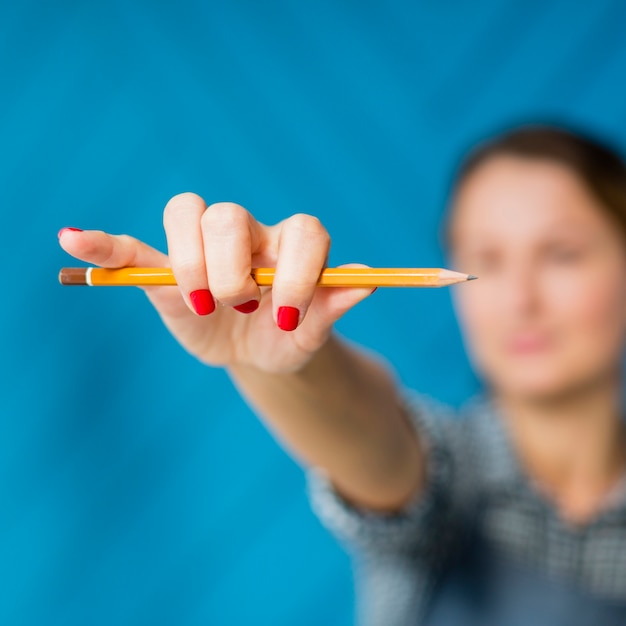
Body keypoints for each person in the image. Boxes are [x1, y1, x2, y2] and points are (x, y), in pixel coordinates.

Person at [58, 124, 626, 625]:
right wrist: (282, 360)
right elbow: (378, 448)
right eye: (488, 258)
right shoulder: (452, 473)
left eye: (562, 254)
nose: (520, 299)